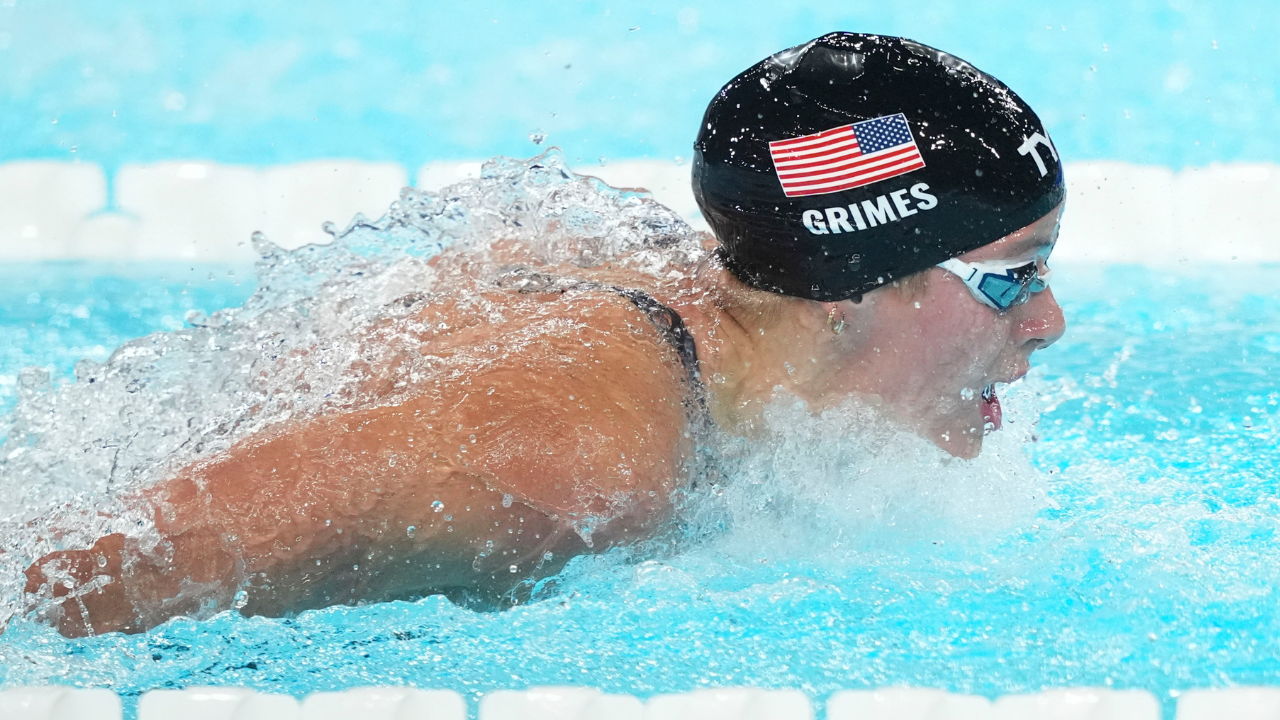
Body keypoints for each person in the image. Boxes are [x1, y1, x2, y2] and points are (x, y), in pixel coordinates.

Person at [21, 32, 1066, 637]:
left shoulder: (717, 310)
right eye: (1007, 278)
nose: (1046, 323)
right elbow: (79, 575)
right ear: (849, 282)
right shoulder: (564, 468)